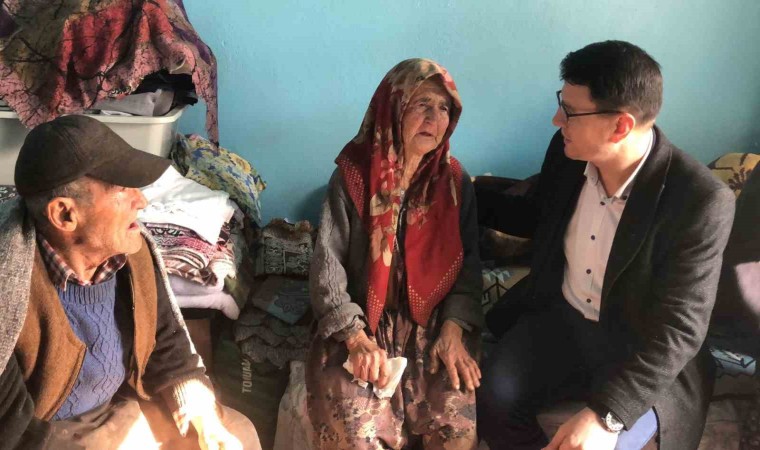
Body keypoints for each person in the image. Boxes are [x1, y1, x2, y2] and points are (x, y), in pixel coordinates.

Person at [476, 40, 735, 450]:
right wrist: (456, 188)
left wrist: (606, 415)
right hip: (560, 321)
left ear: (620, 126)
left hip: (640, 346)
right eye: (561, 103)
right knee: (493, 401)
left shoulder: (698, 200)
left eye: (570, 111)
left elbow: (679, 327)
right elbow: (535, 216)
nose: (557, 119)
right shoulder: (568, 154)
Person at [0, 115, 260, 450]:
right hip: (47, 432)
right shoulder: (9, 289)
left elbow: (167, 341)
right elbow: (13, 432)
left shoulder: (132, 253)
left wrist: (199, 412)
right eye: (123, 190)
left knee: (237, 432)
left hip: (119, 406)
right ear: (65, 214)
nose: (142, 202)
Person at [306, 58, 483, 450]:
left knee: (456, 429)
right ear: (393, 108)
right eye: (421, 104)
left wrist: (454, 330)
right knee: (355, 433)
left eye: (443, 108)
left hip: (432, 325)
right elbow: (327, 266)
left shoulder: (454, 182)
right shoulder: (352, 176)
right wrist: (354, 337)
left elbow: (469, 265)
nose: (434, 118)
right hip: (362, 323)